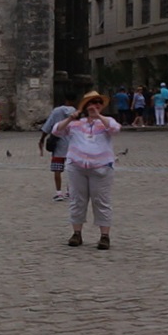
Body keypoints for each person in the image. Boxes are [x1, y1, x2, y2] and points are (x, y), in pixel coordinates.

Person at [55, 91, 119, 249]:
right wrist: (70, 118)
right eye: (91, 103)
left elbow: (115, 129)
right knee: (77, 200)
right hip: (77, 167)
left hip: (101, 167)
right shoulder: (76, 124)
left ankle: (104, 236)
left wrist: (99, 116)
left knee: (101, 201)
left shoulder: (106, 122)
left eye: (98, 103)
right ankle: (76, 233)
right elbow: (56, 130)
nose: (94, 106)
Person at [40, 100, 75, 201]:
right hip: (72, 145)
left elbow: (47, 126)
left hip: (58, 145)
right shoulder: (76, 112)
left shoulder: (56, 111)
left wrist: (42, 139)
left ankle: (59, 193)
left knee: (57, 170)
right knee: (71, 170)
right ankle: (70, 191)